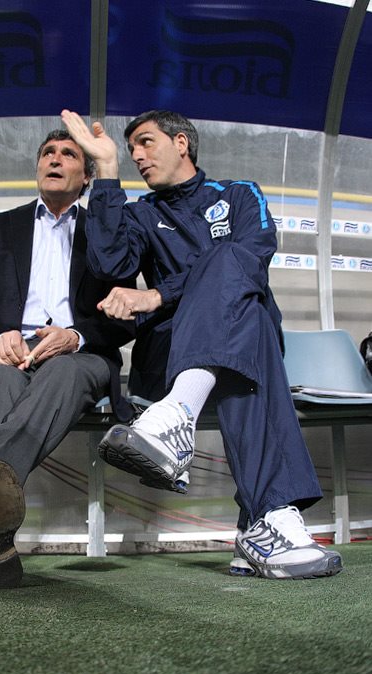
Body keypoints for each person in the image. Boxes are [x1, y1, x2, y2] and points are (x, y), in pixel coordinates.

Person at [61, 108, 343, 580]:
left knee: (233, 271)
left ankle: (179, 417)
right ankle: (265, 521)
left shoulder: (239, 194)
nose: (137, 156)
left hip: (230, 351)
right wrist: (106, 170)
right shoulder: (142, 213)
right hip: (169, 354)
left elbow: (254, 254)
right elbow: (109, 265)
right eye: (130, 150)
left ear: (182, 143)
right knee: (249, 335)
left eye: (146, 142)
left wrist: (157, 294)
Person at [0, 129, 135, 590]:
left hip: (80, 353)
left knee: (65, 373)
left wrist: (75, 336)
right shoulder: (1, 227)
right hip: (8, 351)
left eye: (68, 154)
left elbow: (125, 316)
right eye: (47, 153)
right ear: (38, 168)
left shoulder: (106, 232)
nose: (55, 159)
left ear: (87, 176)